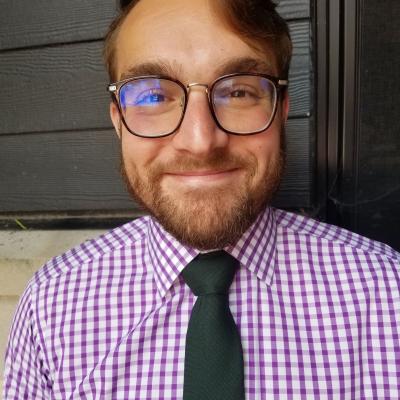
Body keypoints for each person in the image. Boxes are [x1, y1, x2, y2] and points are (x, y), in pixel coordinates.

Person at [3, 0, 400, 398]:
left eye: (239, 91)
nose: (199, 141)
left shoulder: (387, 294)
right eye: (153, 96)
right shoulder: (53, 303)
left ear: (281, 111)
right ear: (117, 121)